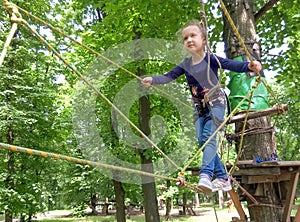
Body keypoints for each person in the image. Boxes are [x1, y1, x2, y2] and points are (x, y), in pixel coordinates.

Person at [141, 20, 262, 193]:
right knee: (202, 141)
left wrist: (248, 66)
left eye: (193, 36)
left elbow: (230, 64)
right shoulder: (186, 64)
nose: (189, 40)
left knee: (209, 136)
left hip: (216, 103)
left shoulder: (210, 59)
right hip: (199, 109)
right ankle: (222, 177)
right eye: (185, 38)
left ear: (204, 39)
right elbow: (169, 76)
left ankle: (206, 174)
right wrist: (153, 80)